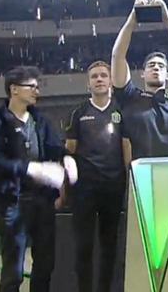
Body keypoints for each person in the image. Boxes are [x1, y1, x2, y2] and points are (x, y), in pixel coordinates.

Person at [0, 66, 78, 292]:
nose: (36, 91)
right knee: (13, 270)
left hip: (43, 201)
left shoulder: (39, 121)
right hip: (13, 201)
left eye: (37, 87)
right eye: (31, 87)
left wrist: (66, 157)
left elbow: (53, 146)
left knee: (45, 265)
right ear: (14, 89)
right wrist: (28, 168)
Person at [64, 61, 132, 292]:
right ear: (88, 83)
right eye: (95, 76)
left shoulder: (121, 111)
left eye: (103, 75)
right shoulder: (78, 113)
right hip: (84, 191)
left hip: (113, 188)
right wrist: (65, 188)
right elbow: (69, 152)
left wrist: (129, 181)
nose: (99, 79)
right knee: (83, 247)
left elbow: (126, 147)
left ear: (111, 80)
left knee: (109, 246)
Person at [111, 0, 168, 158]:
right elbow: (117, 56)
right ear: (142, 74)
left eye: (161, 66)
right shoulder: (130, 97)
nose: (156, 67)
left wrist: (166, 17)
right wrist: (133, 17)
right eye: (151, 65)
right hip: (144, 170)